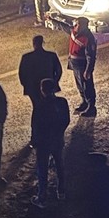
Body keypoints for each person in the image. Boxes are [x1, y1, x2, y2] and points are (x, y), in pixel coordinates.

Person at [30, 78, 70, 208]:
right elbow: (66, 120)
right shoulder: (62, 102)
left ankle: (42, 196)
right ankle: (62, 191)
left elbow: (35, 126)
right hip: (57, 139)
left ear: (42, 90)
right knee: (59, 164)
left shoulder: (40, 106)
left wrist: (34, 141)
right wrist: (59, 132)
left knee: (42, 168)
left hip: (43, 142)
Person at [19, 33, 63, 114]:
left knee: (36, 107)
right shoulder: (51, 55)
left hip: (32, 87)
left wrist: (26, 85)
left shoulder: (26, 57)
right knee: (49, 105)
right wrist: (54, 82)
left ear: (33, 43)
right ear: (43, 43)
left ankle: (38, 122)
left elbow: (22, 74)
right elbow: (59, 70)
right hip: (48, 86)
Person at [68, 17, 98, 116]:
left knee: (87, 86)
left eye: (78, 25)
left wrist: (88, 70)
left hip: (82, 65)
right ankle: (84, 102)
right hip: (74, 64)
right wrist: (51, 20)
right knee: (80, 86)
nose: (76, 26)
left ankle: (91, 106)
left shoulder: (88, 38)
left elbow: (90, 56)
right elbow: (63, 26)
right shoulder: (73, 32)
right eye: (76, 24)